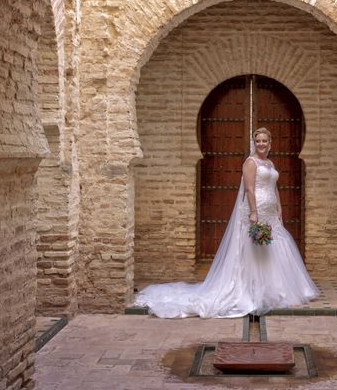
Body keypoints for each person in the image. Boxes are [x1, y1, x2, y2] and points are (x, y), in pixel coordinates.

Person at [135, 127, 319, 318]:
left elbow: (275, 188)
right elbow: (249, 189)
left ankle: (277, 289)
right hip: (257, 210)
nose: (262, 144)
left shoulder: (270, 163)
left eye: (265, 141)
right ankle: (253, 290)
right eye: (258, 141)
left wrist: (279, 208)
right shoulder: (250, 162)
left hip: (271, 210)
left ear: (270, 142)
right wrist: (254, 212)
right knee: (256, 249)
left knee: (274, 247)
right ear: (254, 143)